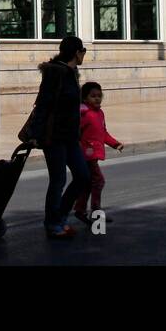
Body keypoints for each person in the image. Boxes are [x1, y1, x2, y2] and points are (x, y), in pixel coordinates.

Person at [30, 35, 91, 239]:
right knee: (58, 180)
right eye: (83, 51)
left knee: (83, 176)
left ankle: (61, 215)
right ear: (76, 52)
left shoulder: (72, 72)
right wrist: (36, 134)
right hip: (54, 136)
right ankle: (52, 223)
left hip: (71, 136)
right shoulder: (55, 73)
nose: (84, 55)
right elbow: (43, 104)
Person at [73, 82, 123, 225]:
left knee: (90, 183)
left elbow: (103, 133)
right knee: (98, 181)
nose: (97, 99)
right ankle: (95, 212)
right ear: (85, 98)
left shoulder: (99, 113)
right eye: (93, 96)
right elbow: (75, 132)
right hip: (87, 155)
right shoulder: (84, 114)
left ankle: (80, 209)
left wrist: (115, 143)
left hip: (93, 155)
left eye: (99, 96)